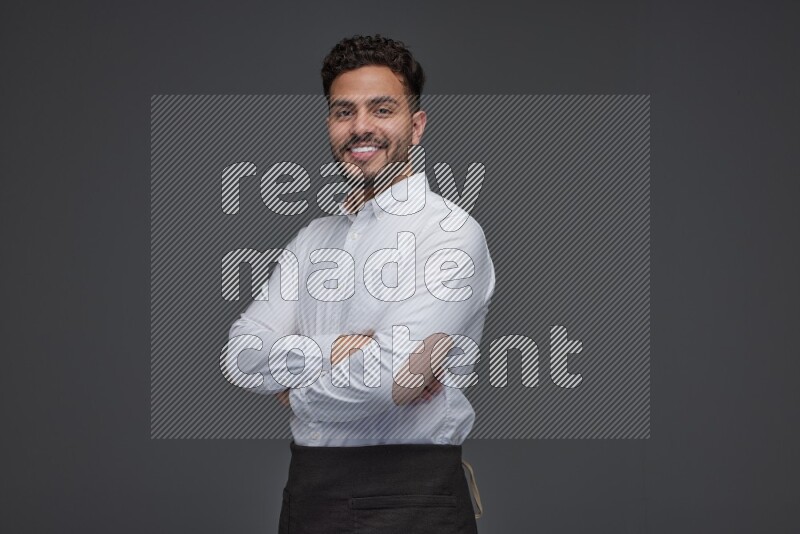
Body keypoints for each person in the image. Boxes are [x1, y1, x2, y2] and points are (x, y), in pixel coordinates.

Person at [228, 34, 493, 533]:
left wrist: (292, 389)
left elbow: (389, 380)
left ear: (416, 127)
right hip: (309, 493)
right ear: (330, 124)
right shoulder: (312, 240)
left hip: (411, 499)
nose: (361, 127)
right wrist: (332, 350)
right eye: (343, 111)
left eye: (382, 109)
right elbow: (241, 356)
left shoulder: (450, 234)